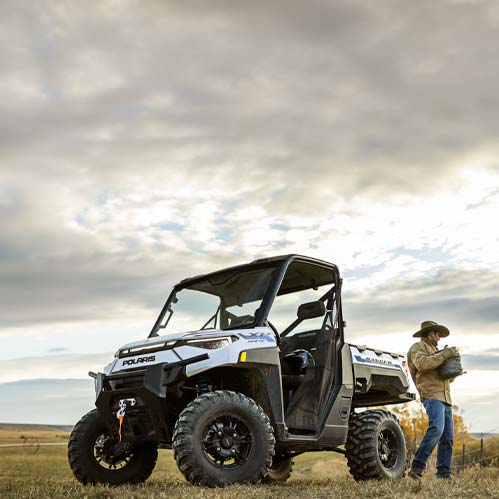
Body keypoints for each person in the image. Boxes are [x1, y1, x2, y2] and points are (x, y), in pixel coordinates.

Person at [407, 320, 460, 479]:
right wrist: (445, 355)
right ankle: (416, 468)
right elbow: (423, 364)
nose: (439, 337)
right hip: (431, 395)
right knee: (436, 428)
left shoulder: (437, 351)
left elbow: (444, 378)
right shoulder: (418, 348)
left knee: (448, 437)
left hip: (445, 397)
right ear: (429, 333)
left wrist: (453, 371)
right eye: (437, 333)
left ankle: (443, 474)